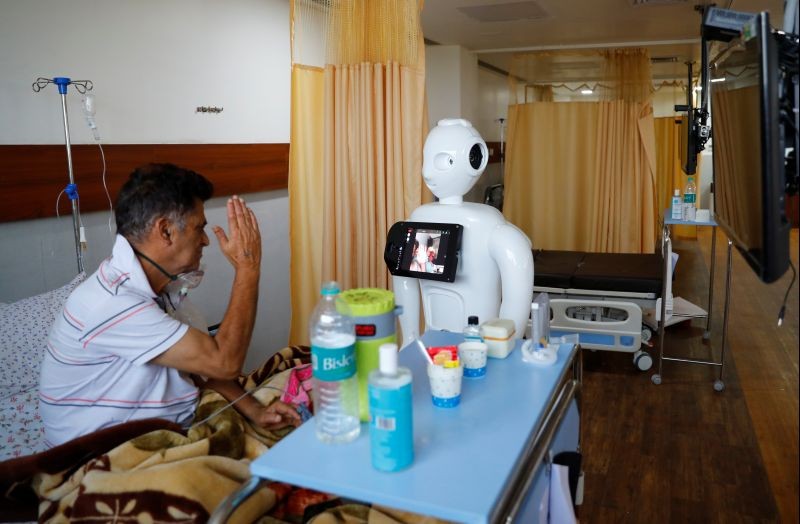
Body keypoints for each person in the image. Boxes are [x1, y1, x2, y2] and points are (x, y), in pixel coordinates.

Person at [39, 163, 301, 447]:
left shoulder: (154, 288)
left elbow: (199, 368)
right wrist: (248, 268)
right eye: (199, 228)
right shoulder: (113, 303)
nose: (205, 240)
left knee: (303, 378)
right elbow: (224, 363)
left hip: (174, 423)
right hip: (97, 454)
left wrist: (257, 411)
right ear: (165, 231)